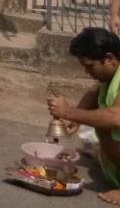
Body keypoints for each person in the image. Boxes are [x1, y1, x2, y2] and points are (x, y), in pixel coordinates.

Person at [47, 27, 120, 204]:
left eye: (90, 66)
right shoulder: (110, 76)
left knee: (105, 125)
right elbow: (94, 92)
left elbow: (116, 117)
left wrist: (68, 112)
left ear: (109, 59)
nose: (87, 72)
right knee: (97, 132)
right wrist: (75, 119)